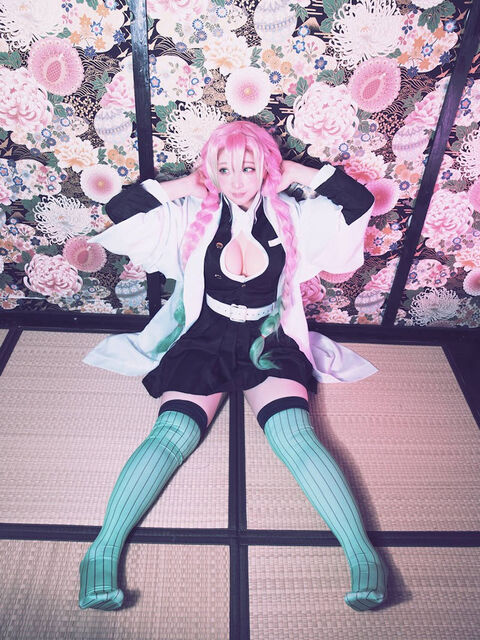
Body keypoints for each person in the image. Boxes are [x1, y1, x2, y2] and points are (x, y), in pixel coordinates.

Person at [79, 120, 387, 612]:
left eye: (248, 167)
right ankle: (101, 550)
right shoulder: (191, 215)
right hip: (205, 336)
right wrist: (189, 183)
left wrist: (296, 172)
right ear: (211, 172)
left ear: (266, 168)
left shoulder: (292, 215)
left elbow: (358, 202)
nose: (237, 180)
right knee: (172, 433)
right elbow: (119, 211)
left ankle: (363, 554)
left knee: (294, 434)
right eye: (224, 169)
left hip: (270, 337)